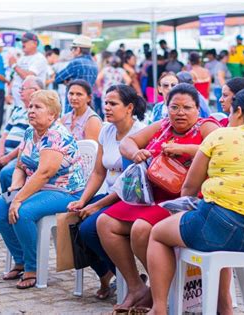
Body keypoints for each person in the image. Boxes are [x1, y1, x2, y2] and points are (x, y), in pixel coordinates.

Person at [146, 87, 244, 315]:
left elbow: (189, 189)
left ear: (239, 111)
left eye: (231, 111)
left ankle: (159, 307)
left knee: (158, 234)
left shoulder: (220, 136)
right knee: (218, 233)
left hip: (217, 230)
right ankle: (225, 308)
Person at [97, 84, 220, 311]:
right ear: (166, 107)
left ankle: (159, 289)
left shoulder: (206, 127)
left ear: (198, 109)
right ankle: (137, 287)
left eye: (186, 107)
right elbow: (127, 142)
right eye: (174, 107)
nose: (180, 112)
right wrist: (136, 153)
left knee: (141, 229)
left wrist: (186, 150)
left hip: (186, 200)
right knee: (105, 222)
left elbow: (221, 147)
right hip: (153, 195)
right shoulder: (163, 126)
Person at [0, 90, 86, 290]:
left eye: (38, 107)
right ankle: (21, 260)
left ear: (52, 114)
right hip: (38, 188)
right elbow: (20, 166)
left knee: (22, 212)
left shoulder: (56, 135)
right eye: (31, 106)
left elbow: (44, 173)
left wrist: (18, 199)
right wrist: (15, 189)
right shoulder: (29, 132)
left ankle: (33, 268)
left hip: (65, 191)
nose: (31, 110)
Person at [67, 84, 146, 300]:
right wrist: (83, 200)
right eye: (106, 103)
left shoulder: (139, 134)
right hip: (111, 195)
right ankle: (108, 274)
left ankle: (130, 280)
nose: (107, 108)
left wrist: (98, 205)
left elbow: (131, 184)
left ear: (129, 107)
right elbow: (98, 173)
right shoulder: (106, 130)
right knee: (75, 221)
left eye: (113, 104)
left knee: (90, 227)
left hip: (132, 198)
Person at [0, 76, 44, 200]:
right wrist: (0, 153)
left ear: (35, 90)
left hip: (23, 155)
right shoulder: (18, 110)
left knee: (6, 173)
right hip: (7, 152)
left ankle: (10, 202)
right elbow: (4, 134)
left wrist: (8, 157)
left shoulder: (39, 112)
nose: (19, 91)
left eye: (23, 88)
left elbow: (28, 141)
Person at [54, 35, 98, 113]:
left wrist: (68, 82)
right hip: (88, 103)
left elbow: (57, 78)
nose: (71, 51)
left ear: (78, 49)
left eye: (72, 49)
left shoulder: (76, 63)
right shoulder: (94, 64)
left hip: (74, 103)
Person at [8, 32, 48, 109]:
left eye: (25, 41)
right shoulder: (22, 58)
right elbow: (15, 77)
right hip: (18, 103)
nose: (22, 44)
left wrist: (14, 65)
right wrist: (9, 93)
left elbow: (29, 77)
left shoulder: (39, 58)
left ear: (35, 43)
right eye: (22, 41)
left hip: (31, 104)